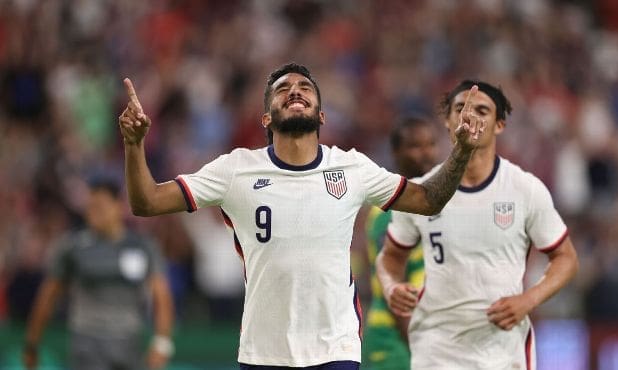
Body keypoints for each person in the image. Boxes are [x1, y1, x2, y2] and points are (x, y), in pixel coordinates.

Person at [118, 63, 485, 369]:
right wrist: (134, 145)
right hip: (264, 351)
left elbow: (428, 200)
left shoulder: (351, 167)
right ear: (266, 117)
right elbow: (146, 202)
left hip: (335, 350)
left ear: (321, 114)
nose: (295, 91)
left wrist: (463, 151)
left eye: (305, 87)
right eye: (283, 89)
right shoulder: (236, 170)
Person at [376, 80, 580, 370]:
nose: (470, 116)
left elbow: (567, 258)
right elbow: (390, 257)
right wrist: (390, 286)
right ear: (447, 122)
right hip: (436, 346)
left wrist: (528, 300)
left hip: (501, 346)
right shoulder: (422, 193)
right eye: (460, 108)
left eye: (482, 110)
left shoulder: (524, 189)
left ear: (499, 125)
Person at [23, 177, 175, 370]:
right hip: (86, 342)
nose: (94, 214)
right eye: (91, 207)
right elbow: (48, 295)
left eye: (101, 207)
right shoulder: (72, 247)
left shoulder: (143, 246)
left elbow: (161, 296)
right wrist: (32, 342)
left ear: (118, 206)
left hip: (129, 343)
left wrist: (162, 342)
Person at [361, 116, 440, 370]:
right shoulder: (390, 209)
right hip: (394, 345)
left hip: (420, 337)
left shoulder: (427, 205)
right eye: (416, 146)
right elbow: (397, 286)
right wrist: (420, 351)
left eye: (431, 144)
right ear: (396, 152)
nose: (426, 153)